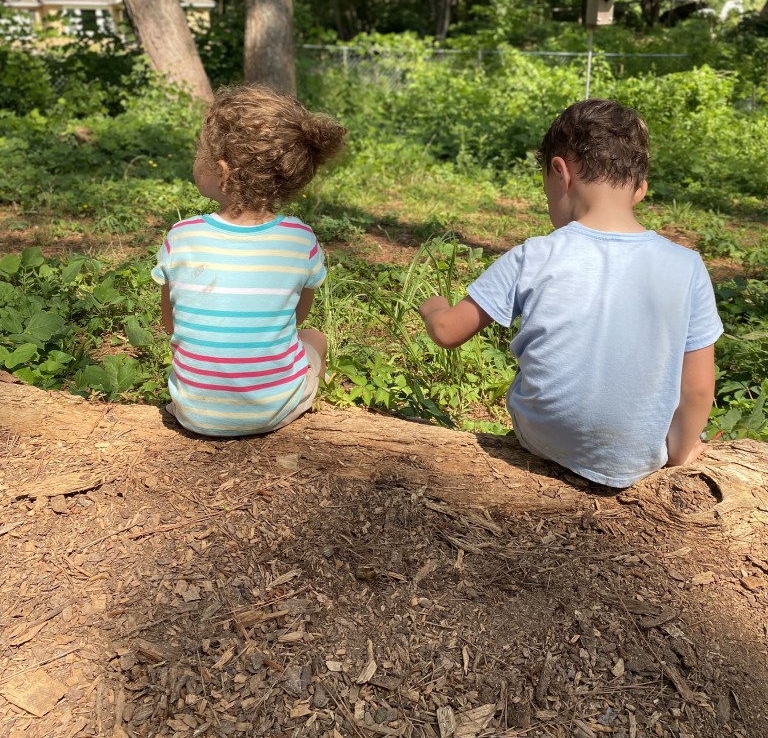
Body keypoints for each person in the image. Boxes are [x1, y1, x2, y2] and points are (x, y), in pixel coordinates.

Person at [418, 99, 723, 488]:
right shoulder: (687, 265)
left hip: (543, 439)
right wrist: (679, 455)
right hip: (638, 456)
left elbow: (447, 331)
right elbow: (697, 387)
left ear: (560, 173)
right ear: (640, 190)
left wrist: (432, 306)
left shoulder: (534, 255)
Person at [152, 85, 346, 437]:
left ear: (222, 171)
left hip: (193, 413)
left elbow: (170, 324)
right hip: (274, 409)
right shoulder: (301, 240)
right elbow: (293, 319)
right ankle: (307, 392)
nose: (195, 157)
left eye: (200, 150)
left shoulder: (181, 236)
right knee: (313, 335)